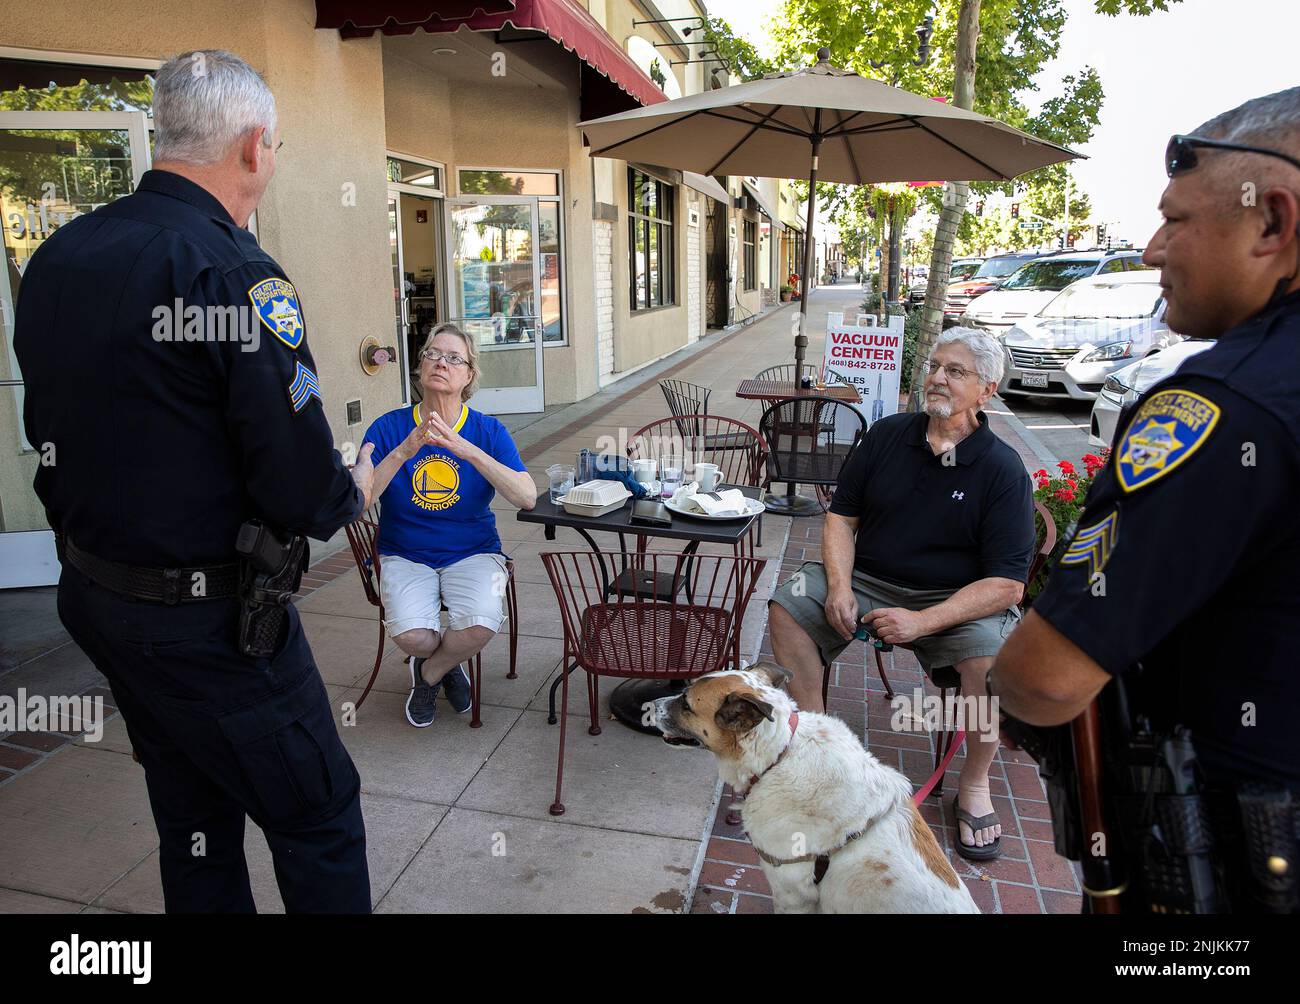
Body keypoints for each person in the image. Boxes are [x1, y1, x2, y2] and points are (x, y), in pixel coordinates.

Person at [14, 50, 376, 913]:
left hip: (99, 598)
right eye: (279, 145)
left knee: (195, 821)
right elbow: (299, 490)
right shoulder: (234, 272)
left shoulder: (63, 253)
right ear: (254, 147)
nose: (276, 159)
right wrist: (348, 489)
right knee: (318, 816)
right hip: (208, 626)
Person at [991, 87, 1300, 913]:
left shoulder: (1222, 405)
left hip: (1228, 875)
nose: (1150, 246)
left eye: (1178, 219)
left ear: (1272, 222)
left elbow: (1045, 679)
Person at [767, 326, 1035, 859]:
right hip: (868, 579)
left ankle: (975, 784)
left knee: (992, 662)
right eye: (934, 366)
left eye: (955, 371)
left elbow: (1007, 584)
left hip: (956, 597)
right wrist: (839, 585)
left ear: (987, 390)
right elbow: (841, 516)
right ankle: (819, 756)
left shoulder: (1003, 470)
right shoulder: (888, 435)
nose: (937, 377)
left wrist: (924, 621)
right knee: (788, 604)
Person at [361, 322, 535, 728]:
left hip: (474, 551)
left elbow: (526, 496)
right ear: (420, 367)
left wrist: (466, 450)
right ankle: (446, 664)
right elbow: (362, 501)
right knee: (411, 636)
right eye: (433, 354)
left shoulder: (487, 431)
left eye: (454, 358)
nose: (441, 363)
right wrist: (405, 450)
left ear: (469, 375)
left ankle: (428, 674)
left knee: (480, 623)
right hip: (404, 552)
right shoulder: (388, 427)